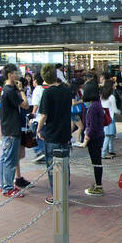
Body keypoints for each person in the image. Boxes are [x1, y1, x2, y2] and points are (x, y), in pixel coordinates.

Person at [37, 65, 76, 202]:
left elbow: (43, 116)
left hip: (52, 134)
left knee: (53, 167)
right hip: (65, 133)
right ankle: (64, 192)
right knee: (65, 165)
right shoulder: (66, 90)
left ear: (44, 77)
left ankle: (57, 195)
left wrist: (38, 130)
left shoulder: (47, 93)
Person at [0, 67, 31, 196]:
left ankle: (4, 185)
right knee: (10, 159)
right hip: (12, 129)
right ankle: (8, 188)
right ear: (10, 75)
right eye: (17, 73)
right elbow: (25, 105)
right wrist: (21, 90)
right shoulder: (10, 91)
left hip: (7, 128)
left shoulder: (5, 90)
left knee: (5, 158)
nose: (18, 75)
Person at [78, 73, 111, 196]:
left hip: (95, 138)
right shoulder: (97, 105)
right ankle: (98, 184)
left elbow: (90, 127)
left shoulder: (93, 107)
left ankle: (98, 186)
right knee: (97, 162)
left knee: (96, 162)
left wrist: (86, 139)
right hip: (99, 135)